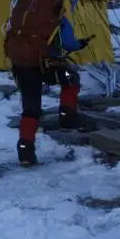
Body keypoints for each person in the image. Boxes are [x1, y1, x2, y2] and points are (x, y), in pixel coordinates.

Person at [15, 12, 92, 166]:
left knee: (30, 109)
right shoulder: (58, 19)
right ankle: (67, 118)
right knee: (71, 79)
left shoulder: (19, 17)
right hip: (48, 65)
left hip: (22, 67)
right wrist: (81, 44)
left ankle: (25, 151)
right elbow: (69, 44)